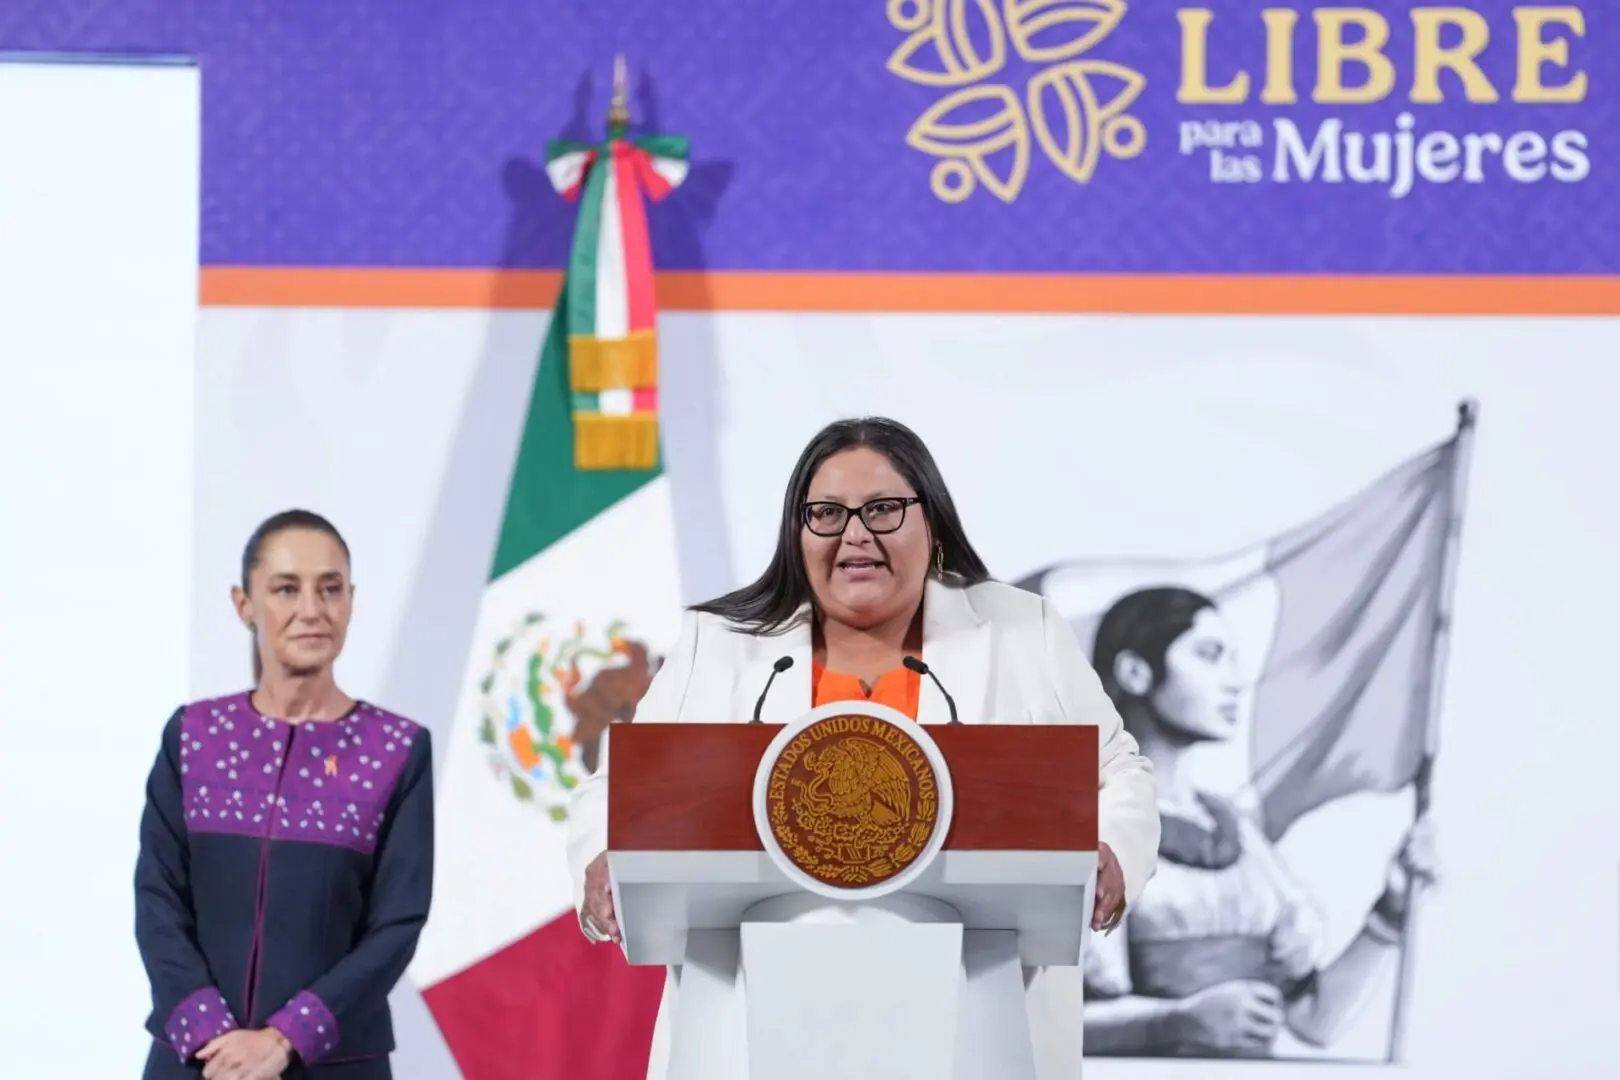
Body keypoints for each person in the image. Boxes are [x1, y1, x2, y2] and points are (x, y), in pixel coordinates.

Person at [565, 416, 1161, 1079]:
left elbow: (1118, 770)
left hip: (977, 1019)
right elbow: (615, 790)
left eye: (882, 510)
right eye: (826, 513)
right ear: (799, 534)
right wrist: (600, 857)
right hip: (749, 1024)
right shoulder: (722, 645)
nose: (855, 534)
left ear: (930, 523)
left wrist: (1114, 853)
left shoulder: (1021, 631)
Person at [135, 510, 433, 1080]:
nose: (311, 610)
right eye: (286, 589)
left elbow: (397, 924)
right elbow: (157, 897)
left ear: (351, 600)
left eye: (330, 588)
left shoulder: (397, 749)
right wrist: (212, 1038)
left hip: (337, 1063)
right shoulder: (193, 735)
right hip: (197, 1062)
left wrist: (283, 1040)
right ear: (243, 604)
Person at [1078, 586, 1437, 1058]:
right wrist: (1173, 1022)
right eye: (1209, 655)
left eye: (1232, 658)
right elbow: (1036, 1017)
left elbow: (1312, 1022)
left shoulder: (1238, 834)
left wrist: (1389, 913)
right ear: (1135, 672)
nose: (1234, 681)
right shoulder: (1084, 827)